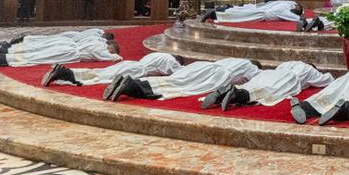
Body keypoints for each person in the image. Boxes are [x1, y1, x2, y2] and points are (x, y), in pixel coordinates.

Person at [105, 57, 262, 102]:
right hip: (214, 75)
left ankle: (133, 83)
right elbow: (250, 80)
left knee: (174, 80)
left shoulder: (233, 59)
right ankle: (131, 86)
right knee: (178, 87)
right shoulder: (251, 66)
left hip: (203, 65)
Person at [201, 60, 334, 111]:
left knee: (252, 86)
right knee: (267, 92)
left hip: (269, 73)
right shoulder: (309, 69)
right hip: (287, 79)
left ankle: (225, 94)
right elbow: (326, 80)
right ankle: (237, 95)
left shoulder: (288, 62)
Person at [0, 30, 120, 68]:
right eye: (111, 49)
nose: (110, 52)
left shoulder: (96, 39)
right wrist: (116, 56)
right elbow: (103, 56)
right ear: (109, 45)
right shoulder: (100, 46)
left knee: (37, 51)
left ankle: (4, 51)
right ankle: (2, 56)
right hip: (68, 52)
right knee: (37, 56)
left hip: (68, 47)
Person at [43, 52, 183, 88]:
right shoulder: (170, 60)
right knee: (101, 77)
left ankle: (65, 73)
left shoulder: (157, 54)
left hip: (131, 64)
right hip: (136, 70)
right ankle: (66, 74)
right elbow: (177, 72)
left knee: (101, 72)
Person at [209, 0, 304, 24]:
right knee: (242, 16)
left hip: (262, 11)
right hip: (262, 13)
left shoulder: (288, 5)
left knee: (243, 13)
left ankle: (225, 10)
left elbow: (296, 16)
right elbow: (297, 18)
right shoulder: (286, 8)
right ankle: (221, 13)